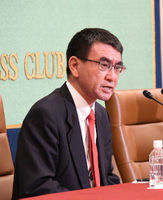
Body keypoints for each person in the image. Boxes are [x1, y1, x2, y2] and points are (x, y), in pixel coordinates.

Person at [12, 28, 125, 199]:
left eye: (117, 68)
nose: (112, 76)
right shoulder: (45, 115)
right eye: (104, 65)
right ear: (75, 66)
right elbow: (36, 188)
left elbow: (106, 177)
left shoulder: (100, 115)